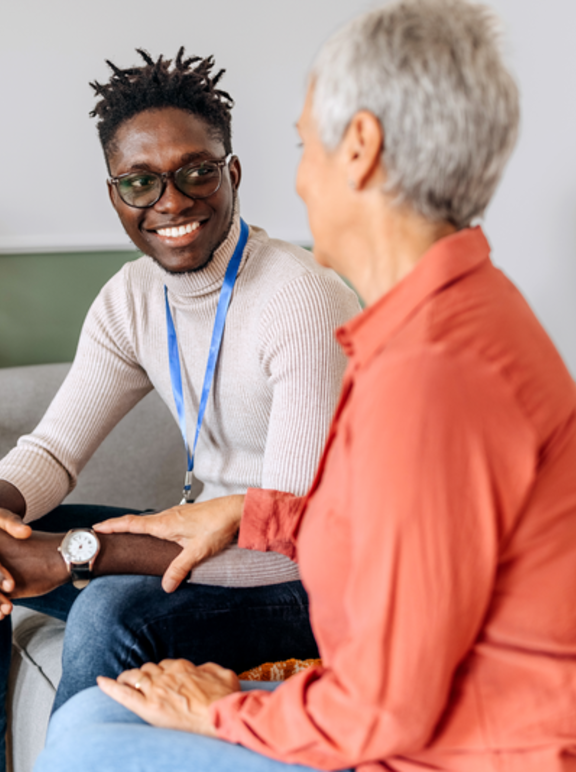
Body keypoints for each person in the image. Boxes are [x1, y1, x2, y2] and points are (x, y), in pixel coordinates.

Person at [33, 0, 576, 770]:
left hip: (470, 746)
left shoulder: (432, 376)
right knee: (91, 720)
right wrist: (245, 515)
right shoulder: (447, 323)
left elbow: (385, 706)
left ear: (360, 148)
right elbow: (384, 532)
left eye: (302, 144)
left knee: (89, 737)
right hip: (423, 714)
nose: (299, 176)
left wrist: (224, 712)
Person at [0, 49, 360, 770]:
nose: (171, 202)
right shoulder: (132, 299)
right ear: (115, 194)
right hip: (202, 546)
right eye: (141, 181)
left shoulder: (300, 297)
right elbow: (55, 451)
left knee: (109, 608)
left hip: (308, 577)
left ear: (231, 174)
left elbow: (285, 533)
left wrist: (79, 555)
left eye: (196, 171)